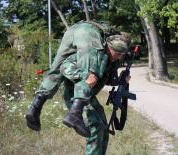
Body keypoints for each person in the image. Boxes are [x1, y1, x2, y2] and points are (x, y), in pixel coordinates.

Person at [25, 21, 131, 154]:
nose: (119, 57)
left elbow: (60, 69)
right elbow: (89, 76)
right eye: (118, 52)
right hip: (87, 34)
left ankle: (35, 106)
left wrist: (121, 80)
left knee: (55, 69)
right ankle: (75, 113)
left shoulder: (104, 57)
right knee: (91, 74)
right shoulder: (98, 51)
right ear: (109, 45)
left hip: (73, 31)